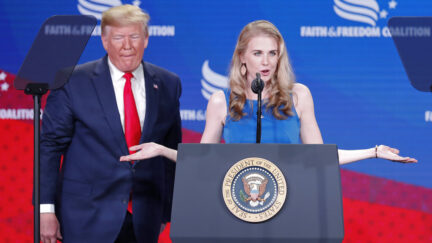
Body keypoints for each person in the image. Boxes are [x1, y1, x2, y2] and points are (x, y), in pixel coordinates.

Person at [121, 20, 416, 165]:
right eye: (258, 53)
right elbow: (202, 161)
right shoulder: (220, 101)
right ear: (242, 57)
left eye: (272, 53)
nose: (266, 61)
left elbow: (320, 157)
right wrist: (161, 150)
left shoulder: (299, 96)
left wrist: (374, 152)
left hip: (291, 202)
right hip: (235, 204)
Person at [39, 4, 181, 243]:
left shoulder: (168, 83)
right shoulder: (73, 82)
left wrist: (165, 211)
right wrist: (46, 211)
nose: (127, 45)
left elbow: (171, 151)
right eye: (118, 37)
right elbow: (50, 148)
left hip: (144, 218)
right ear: (105, 41)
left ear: (146, 39)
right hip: (86, 217)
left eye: (134, 36)